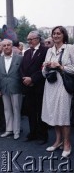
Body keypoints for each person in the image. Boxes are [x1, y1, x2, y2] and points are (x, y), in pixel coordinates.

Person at [42, 26, 74, 157]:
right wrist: (46, 67)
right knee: (54, 114)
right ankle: (58, 141)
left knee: (64, 114)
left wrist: (60, 66)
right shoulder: (49, 50)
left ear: (64, 35)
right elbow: (43, 70)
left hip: (63, 84)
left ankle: (67, 143)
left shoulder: (70, 48)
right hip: (50, 84)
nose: (56, 36)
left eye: (58, 33)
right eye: (54, 34)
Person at [21, 31, 48, 145]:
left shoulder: (45, 51)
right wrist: (24, 78)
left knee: (41, 112)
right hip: (28, 87)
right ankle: (32, 133)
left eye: (30, 39)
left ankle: (42, 135)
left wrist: (32, 79)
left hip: (39, 86)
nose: (29, 42)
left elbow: (43, 68)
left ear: (37, 39)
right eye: (28, 39)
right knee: (31, 112)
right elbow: (21, 68)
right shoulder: (27, 52)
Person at [0, 39, 23, 140]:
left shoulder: (19, 58)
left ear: (12, 46)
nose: (6, 47)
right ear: (2, 47)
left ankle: (16, 131)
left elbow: (22, 73)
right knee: (7, 110)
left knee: (16, 110)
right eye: (4, 45)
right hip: (3, 88)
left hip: (16, 88)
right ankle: (9, 130)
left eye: (8, 45)